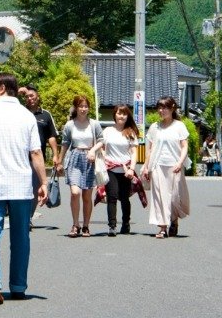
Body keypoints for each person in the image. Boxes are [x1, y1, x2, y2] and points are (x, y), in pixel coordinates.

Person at [0, 73, 48, 305]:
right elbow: (35, 152)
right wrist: (43, 182)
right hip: (21, 186)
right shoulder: (26, 116)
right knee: (20, 237)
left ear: (2, 88)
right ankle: (18, 286)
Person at [142, 96, 190, 238]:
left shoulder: (179, 126)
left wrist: (180, 162)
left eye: (165, 107)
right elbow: (149, 149)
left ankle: (173, 219)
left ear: (172, 108)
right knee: (159, 196)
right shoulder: (154, 127)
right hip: (157, 165)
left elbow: (184, 146)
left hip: (174, 165)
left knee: (175, 196)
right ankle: (162, 227)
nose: (161, 110)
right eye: (160, 107)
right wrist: (146, 166)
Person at [89, 106, 139, 236]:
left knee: (124, 198)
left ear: (128, 116)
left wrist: (132, 169)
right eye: (119, 113)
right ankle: (112, 226)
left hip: (125, 170)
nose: (121, 116)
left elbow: (134, 152)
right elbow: (101, 145)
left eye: (124, 114)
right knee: (112, 197)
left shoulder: (130, 132)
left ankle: (126, 224)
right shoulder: (108, 131)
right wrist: (95, 152)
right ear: (114, 115)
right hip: (110, 169)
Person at [59, 95, 101, 237]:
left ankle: (86, 226)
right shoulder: (70, 125)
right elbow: (65, 144)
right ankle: (75, 224)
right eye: (80, 106)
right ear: (75, 108)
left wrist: (93, 151)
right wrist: (59, 161)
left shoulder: (94, 124)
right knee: (75, 192)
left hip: (89, 159)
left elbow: (101, 140)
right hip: (75, 158)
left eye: (85, 106)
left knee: (87, 196)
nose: (83, 109)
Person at [20, 86, 59, 227]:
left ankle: (28, 217)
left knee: (36, 189)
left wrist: (55, 155)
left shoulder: (46, 115)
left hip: (37, 158)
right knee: (23, 188)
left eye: (32, 96)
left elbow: (52, 137)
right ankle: (22, 217)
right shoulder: (20, 112)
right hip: (21, 157)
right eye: (27, 96)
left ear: (38, 97)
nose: (30, 98)